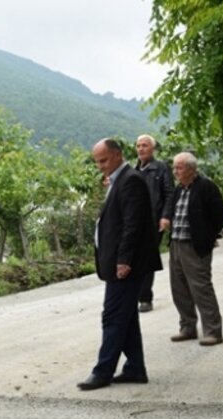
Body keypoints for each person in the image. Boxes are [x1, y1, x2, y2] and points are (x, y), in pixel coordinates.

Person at [77, 139, 162, 390]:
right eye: (97, 162)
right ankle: (135, 368)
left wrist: (124, 260)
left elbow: (132, 225)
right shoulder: (119, 180)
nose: (100, 166)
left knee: (113, 316)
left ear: (116, 155)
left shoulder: (131, 180)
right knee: (126, 317)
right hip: (118, 263)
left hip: (126, 265)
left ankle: (103, 371)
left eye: (103, 160)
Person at [160, 152, 223, 346]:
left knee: (201, 288)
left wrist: (210, 235)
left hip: (195, 246)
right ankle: (188, 327)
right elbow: (170, 209)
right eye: (174, 168)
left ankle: (213, 331)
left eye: (179, 168)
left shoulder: (206, 187)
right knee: (179, 288)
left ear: (191, 169)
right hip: (176, 244)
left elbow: (220, 213)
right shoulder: (179, 189)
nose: (175, 171)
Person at [134, 134, 174, 313]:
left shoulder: (161, 168)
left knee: (147, 258)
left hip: (154, 221)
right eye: (138, 146)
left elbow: (169, 193)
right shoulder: (134, 171)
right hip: (135, 223)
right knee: (134, 258)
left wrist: (165, 216)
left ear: (153, 149)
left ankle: (145, 298)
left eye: (145, 145)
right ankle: (135, 296)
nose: (141, 149)